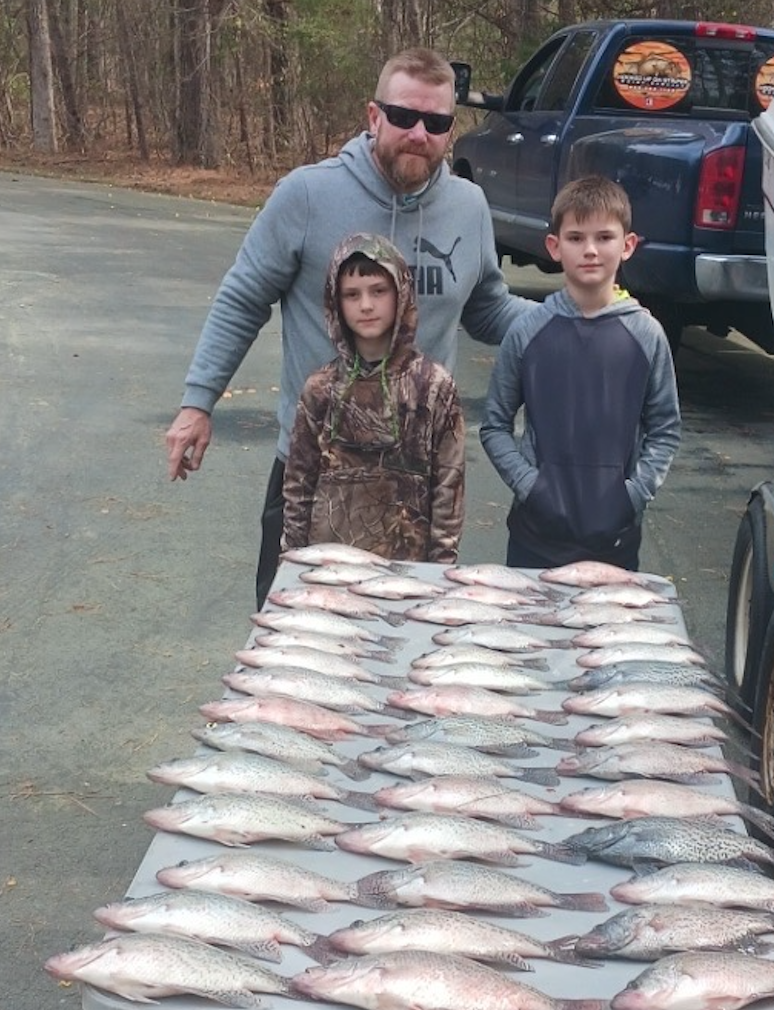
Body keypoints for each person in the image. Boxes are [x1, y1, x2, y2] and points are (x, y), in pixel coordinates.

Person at [164, 47, 530, 606]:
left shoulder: (469, 207)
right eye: (404, 117)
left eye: (436, 123)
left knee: (406, 640)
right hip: (316, 472)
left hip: (417, 478)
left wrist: (579, 315)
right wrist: (198, 402)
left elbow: (486, 310)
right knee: (294, 636)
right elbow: (243, 298)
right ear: (373, 115)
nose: (418, 134)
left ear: (451, 130)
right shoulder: (308, 194)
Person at [480, 175, 681, 571]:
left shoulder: (646, 334)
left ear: (627, 245)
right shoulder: (527, 331)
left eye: (604, 237)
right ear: (554, 247)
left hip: (615, 540)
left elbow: (665, 428)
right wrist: (530, 486)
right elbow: (494, 425)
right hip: (534, 538)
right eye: (575, 238)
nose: (590, 250)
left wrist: (633, 495)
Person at [283, 233, 464, 562]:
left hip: (408, 574)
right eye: (351, 295)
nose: (366, 305)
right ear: (335, 303)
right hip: (328, 568)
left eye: (379, 291)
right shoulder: (320, 388)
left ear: (401, 294)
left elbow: (448, 487)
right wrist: (292, 563)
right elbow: (298, 486)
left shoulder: (434, 387)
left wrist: (442, 570)